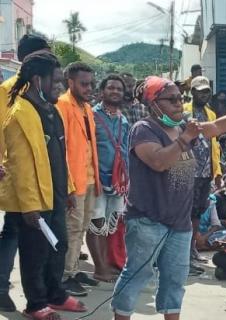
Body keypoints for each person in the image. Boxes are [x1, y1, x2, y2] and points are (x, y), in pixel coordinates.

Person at [110, 76, 226, 320]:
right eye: (172, 99)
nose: (179, 103)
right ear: (154, 104)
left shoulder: (183, 127)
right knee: (137, 275)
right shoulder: (143, 130)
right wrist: (185, 138)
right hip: (148, 221)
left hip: (180, 223)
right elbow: (158, 162)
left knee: (175, 281)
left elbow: (218, 126)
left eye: (181, 98)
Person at [0, 51, 87, 318]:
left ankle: (55, 294)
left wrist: (69, 188)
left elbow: (61, 155)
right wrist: (29, 207)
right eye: (57, 81)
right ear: (38, 81)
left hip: (56, 195)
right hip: (33, 200)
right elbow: (21, 167)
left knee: (58, 246)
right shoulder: (19, 114)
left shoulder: (52, 111)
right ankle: (35, 304)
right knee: (34, 254)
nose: (61, 87)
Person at [0, 34, 51, 313]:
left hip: (39, 177)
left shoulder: (44, 91)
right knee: (12, 231)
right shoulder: (10, 90)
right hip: (14, 174)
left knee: (24, 234)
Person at [57, 61, 102, 296]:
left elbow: (90, 145)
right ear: (70, 82)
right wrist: (68, 186)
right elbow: (61, 149)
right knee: (72, 229)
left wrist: (98, 180)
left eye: (91, 84)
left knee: (83, 226)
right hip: (73, 181)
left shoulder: (86, 108)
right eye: (84, 84)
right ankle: (66, 276)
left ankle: (74, 270)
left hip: (90, 179)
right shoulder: (62, 105)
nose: (89, 88)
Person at [89, 75, 130, 282]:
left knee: (108, 225)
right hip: (97, 178)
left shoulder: (123, 118)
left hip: (118, 182)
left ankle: (105, 264)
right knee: (96, 223)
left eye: (119, 89)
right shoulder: (92, 115)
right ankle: (100, 268)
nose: (115, 92)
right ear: (102, 91)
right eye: (111, 88)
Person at [183, 76, 223, 268]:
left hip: (206, 171)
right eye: (200, 91)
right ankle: (183, 253)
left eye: (207, 91)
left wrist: (218, 171)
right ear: (192, 92)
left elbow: (214, 144)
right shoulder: (183, 112)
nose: (204, 94)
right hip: (187, 170)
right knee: (185, 213)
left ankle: (192, 249)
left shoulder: (211, 114)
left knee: (197, 213)